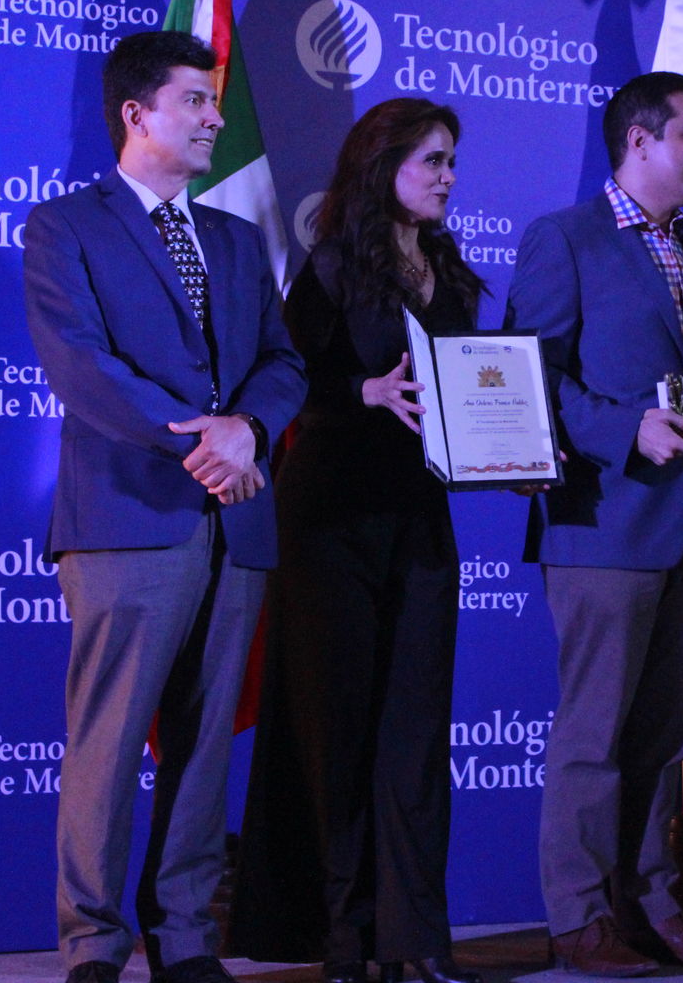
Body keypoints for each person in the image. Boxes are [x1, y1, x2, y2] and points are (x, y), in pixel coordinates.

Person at [22, 30, 305, 983]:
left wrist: (250, 433)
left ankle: (184, 939)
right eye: (196, 100)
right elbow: (82, 364)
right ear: (137, 114)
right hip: (129, 518)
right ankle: (94, 945)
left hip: (240, 518)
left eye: (217, 100)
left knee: (203, 743)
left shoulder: (232, 237)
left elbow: (281, 361)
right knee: (109, 742)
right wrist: (205, 441)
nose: (216, 117)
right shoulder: (66, 227)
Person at [228, 99, 484, 983]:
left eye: (452, 162)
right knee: (337, 732)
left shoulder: (449, 269)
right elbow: (284, 379)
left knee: (416, 731)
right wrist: (358, 398)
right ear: (385, 168)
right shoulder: (332, 265)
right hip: (330, 519)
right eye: (434, 162)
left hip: (420, 520)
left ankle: (419, 943)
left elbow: (470, 392)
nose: (449, 177)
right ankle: (344, 941)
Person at [505, 71, 683, 977]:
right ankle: (577, 922)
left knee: (663, 737)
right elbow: (528, 377)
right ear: (639, 141)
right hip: (602, 525)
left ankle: (651, 909)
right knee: (594, 733)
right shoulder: (564, 239)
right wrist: (622, 429)